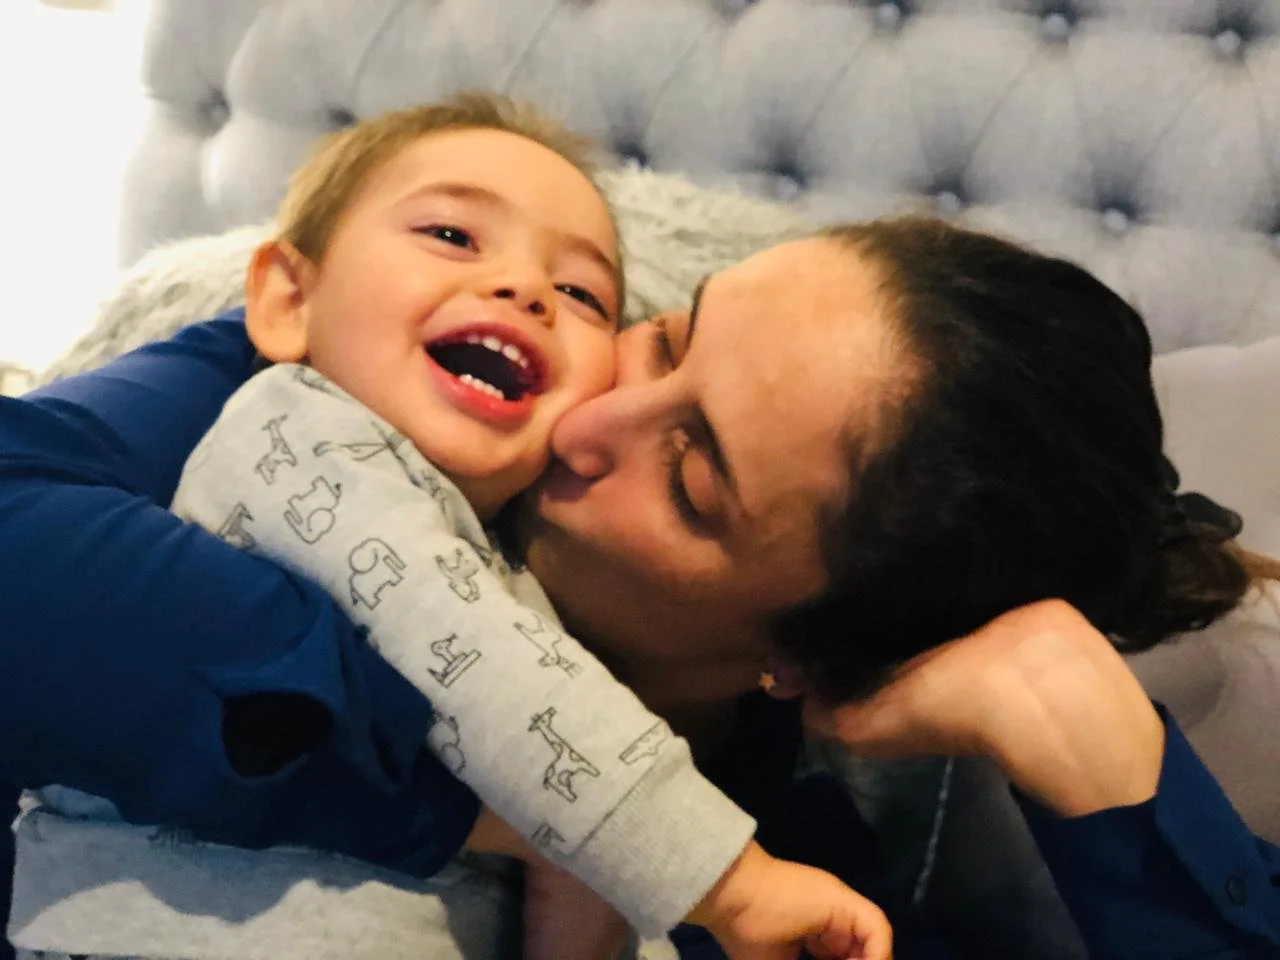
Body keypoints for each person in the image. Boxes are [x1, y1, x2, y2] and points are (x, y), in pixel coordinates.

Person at [2, 202, 1277, 959]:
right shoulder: (391, 356)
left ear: (803, 665)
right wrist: (543, 813)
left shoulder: (793, 888)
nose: (576, 421)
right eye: (666, 336)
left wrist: (1111, 777)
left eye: (688, 479)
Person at [9, 96, 890, 960]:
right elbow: (510, 700)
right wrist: (731, 881)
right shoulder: (300, 433)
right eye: (451, 236)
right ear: (286, 302)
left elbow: (577, 856)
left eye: (581, 293)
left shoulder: (509, 585)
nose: (525, 289)